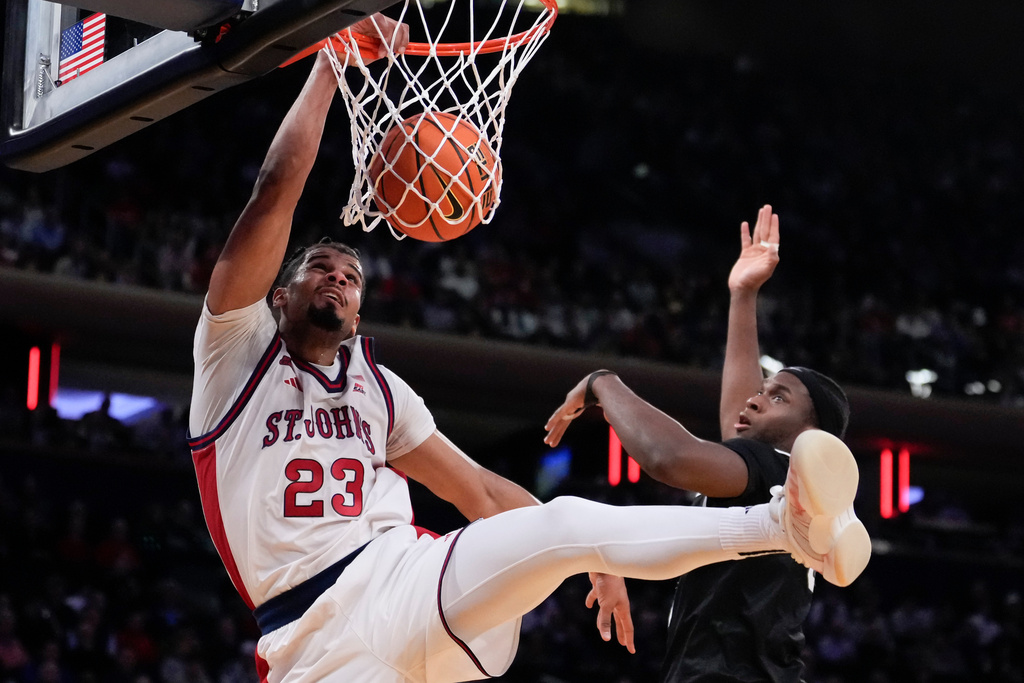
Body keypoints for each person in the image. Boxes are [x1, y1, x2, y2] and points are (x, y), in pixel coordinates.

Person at [187, 23, 869, 680]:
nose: (339, 276)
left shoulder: (379, 388)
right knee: (568, 528)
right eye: (321, 268)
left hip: (409, 581)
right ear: (278, 295)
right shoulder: (234, 351)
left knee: (566, 519)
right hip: (308, 636)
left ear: (362, 308)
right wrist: (333, 60)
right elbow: (274, 188)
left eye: (352, 275)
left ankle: (786, 523)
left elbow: (480, 490)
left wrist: (597, 555)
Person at [544, 204, 872, 682]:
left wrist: (603, 383)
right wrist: (743, 295)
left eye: (777, 396)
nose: (756, 399)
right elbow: (737, 421)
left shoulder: (772, 468)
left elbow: (668, 457)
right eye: (760, 390)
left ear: (811, 434)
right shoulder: (771, 475)